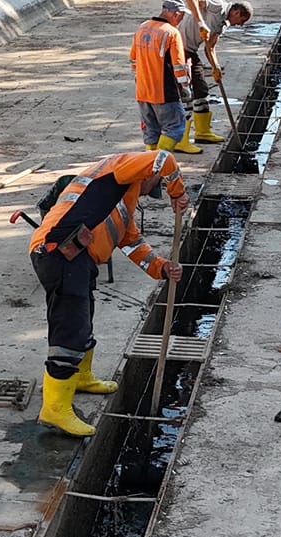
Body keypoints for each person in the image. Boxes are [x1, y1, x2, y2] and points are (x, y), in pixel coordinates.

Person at [29, 151, 189, 437]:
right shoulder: (118, 169)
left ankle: (81, 377)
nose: (148, 190)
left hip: (79, 259)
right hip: (59, 253)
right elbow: (165, 159)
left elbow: (131, 243)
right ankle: (54, 408)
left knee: (83, 320)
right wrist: (177, 193)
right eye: (152, 185)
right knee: (69, 330)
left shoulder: (125, 199)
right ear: (147, 176)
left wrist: (162, 268)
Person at [179, 0, 253, 144]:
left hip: (191, 52)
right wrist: (201, 23)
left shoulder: (223, 25)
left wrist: (216, 67)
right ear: (236, 12)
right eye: (241, 20)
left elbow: (210, 48)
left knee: (202, 92)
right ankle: (181, 139)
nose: (240, 25)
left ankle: (202, 133)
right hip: (178, 49)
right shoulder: (218, 5)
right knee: (185, 95)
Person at [129, 0, 198, 154]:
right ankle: (159, 163)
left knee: (151, 132)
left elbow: (133, 59)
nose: (181, 20)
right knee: (175, 126)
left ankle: (150, 168)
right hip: (164, 92)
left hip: (142, 91)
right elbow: (179, 65)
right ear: (175, 14)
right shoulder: (172, 33)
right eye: (181, 16)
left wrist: (142, 76)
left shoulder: (142, 27)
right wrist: (185, 86)